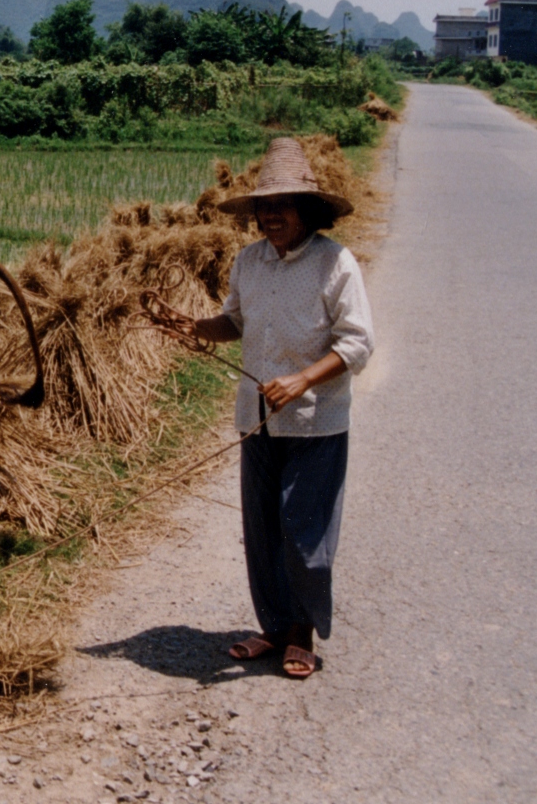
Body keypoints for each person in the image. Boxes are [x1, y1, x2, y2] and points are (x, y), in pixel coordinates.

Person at [173, 138, 373, 679]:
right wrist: (193, 327)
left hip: (317, 422)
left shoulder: (335, 264)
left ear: (308, 211)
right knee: (261, 529)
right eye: (263, 207)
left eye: (282, 206)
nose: (270, 216)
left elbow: (358, 343)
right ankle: (272, 625)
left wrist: (304, 378)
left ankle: (301, 633)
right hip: (256, 417)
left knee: (303, 530)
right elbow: (234, 322)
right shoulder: (249, 262)